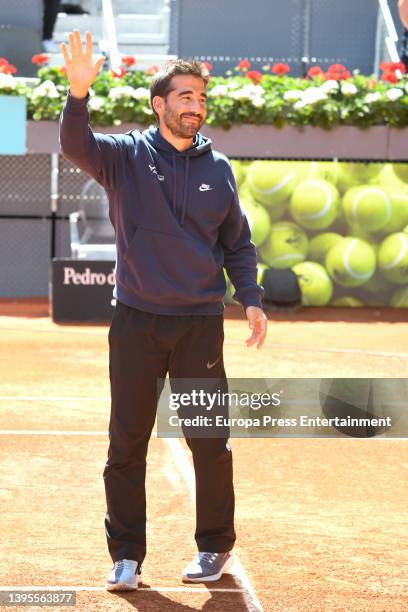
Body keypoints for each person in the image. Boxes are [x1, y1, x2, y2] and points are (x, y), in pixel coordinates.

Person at [59, 29, 267, 591]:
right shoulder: (126, 157)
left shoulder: (220, 168)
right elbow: (77, 147)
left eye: (201, 98)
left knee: (209, 441)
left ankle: (214, 548)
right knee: (126, 441)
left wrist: (250, 299)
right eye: (185, 97)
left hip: (200, 324)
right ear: (160, 104)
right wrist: (77, 95)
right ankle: (125, 554)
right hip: (136, 321)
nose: (196, 106)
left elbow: (237, 242)